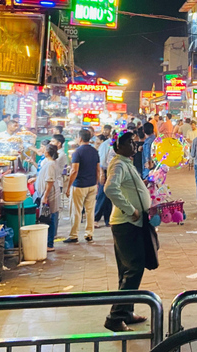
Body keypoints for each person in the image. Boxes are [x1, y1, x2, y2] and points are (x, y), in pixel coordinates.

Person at [103, 131, 152, 332]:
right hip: (126, 224)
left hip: (133, 223)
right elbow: (110, 189)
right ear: (119, 147)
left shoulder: (126, 163)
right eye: (130, 142)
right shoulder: (119, 164)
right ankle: (115, 317)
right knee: (134, 268)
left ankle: (127, 312)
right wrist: (130, 209)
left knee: (126, 270)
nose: (134, 145)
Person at [65, 129, 101, 243]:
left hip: (79, 185)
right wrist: (97, 183)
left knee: (76, 211)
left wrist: (68, 186)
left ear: (80, 138)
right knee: (90, 211)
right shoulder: (94, 151)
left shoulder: (77, 152)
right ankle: (89, 234)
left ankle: (74, 235)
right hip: (92, 185)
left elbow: (74, 170)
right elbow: (98, 169)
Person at [36, 144, 60, 251]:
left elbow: (50, 181)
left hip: (50, 194)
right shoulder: (50, 163)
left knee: (50, 217)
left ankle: (49, 244)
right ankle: (48, 243)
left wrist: (45, 196)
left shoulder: (50, 164)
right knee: (50, 216)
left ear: (47, 152)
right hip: (48, 193)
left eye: (44, 149)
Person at [95, 134, 114, 227]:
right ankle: (96, 218)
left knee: (109, 196)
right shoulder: (106, 145)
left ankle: (108, 219)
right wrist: (102, 174)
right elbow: (101, 160)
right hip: (105, 172)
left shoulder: (117, 144)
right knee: (102, 195)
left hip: (112, 172)